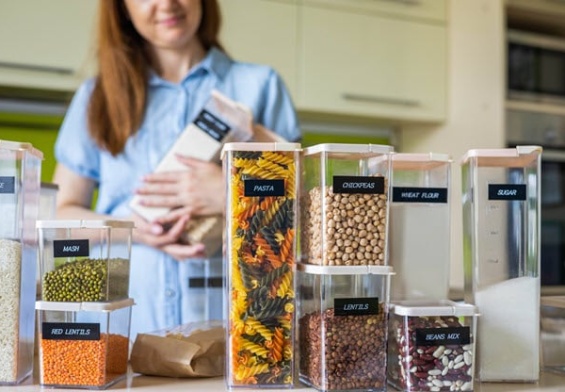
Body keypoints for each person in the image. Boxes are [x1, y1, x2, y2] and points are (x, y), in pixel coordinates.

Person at [53, 0, 301, 339]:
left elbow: (305, 214)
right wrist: (132, 228)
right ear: (121, 8)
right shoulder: (97, 96)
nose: (167, 4)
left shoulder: (259, 86)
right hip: (123, 330)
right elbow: (58, 218)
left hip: (236, 332)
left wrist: (231, 194)